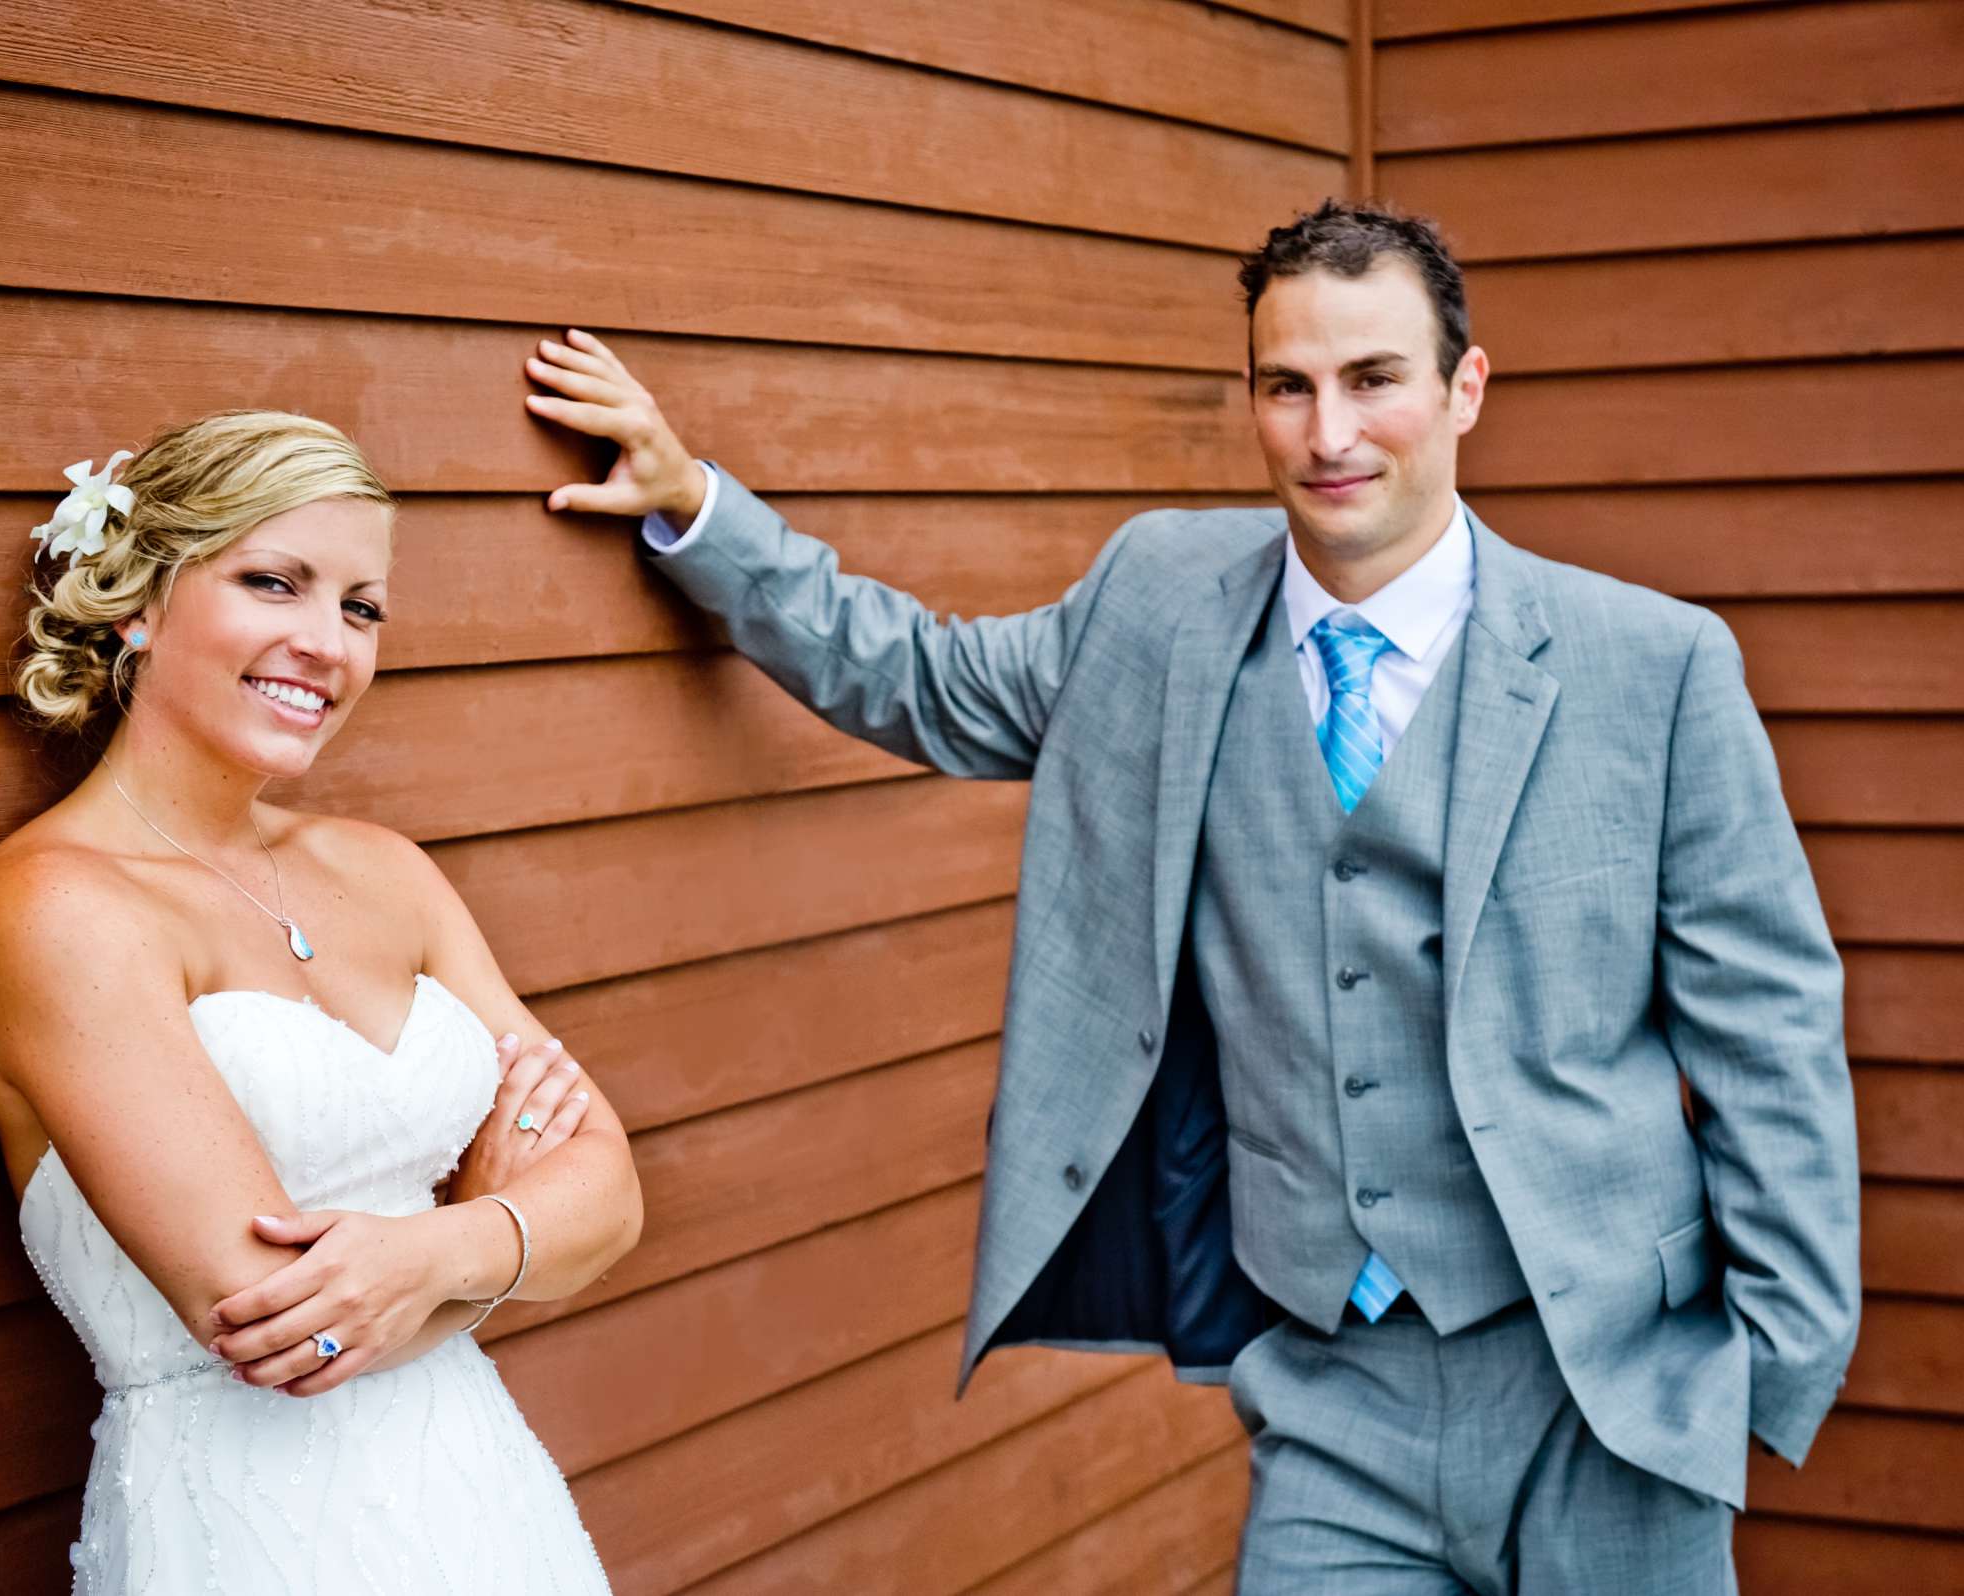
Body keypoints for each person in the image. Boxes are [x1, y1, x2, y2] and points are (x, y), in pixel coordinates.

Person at [524, 201, 1860, 1592]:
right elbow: (924, 679)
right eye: (1288, 387)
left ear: (1466, 386)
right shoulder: (1157, 602)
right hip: (1332, 1393)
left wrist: (1766, 1366)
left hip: (1606, 1385)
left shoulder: (1652, 665)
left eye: (1372, 380)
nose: (1328, 433)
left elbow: (1769, 1033)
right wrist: (694, 505)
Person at [0, 411, 637, 1593]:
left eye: (361, 607)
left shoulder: (387, 872)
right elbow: (278, 1325)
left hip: (480, 1491)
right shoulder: (56, 908)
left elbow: (611, 1191)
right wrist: (503, 1232)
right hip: (247, 1526)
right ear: (141, 601)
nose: (329, 643)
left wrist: (447, 1246)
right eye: (277, 583)